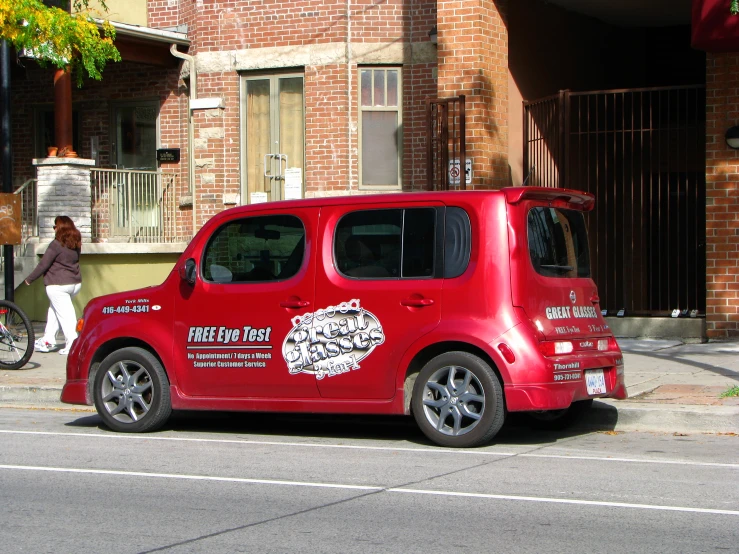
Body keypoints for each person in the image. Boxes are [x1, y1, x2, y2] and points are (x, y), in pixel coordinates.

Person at [25, 215, 82, 355]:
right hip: (75, 283)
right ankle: (48, 340)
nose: (54, 229)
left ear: (60, 228)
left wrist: (29, 279)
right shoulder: (76, 242)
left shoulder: (56, 244)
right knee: (55, 312)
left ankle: (73, 345)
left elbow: (43, 264)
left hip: (58, 285)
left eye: (55, 226)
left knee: (66, 316)